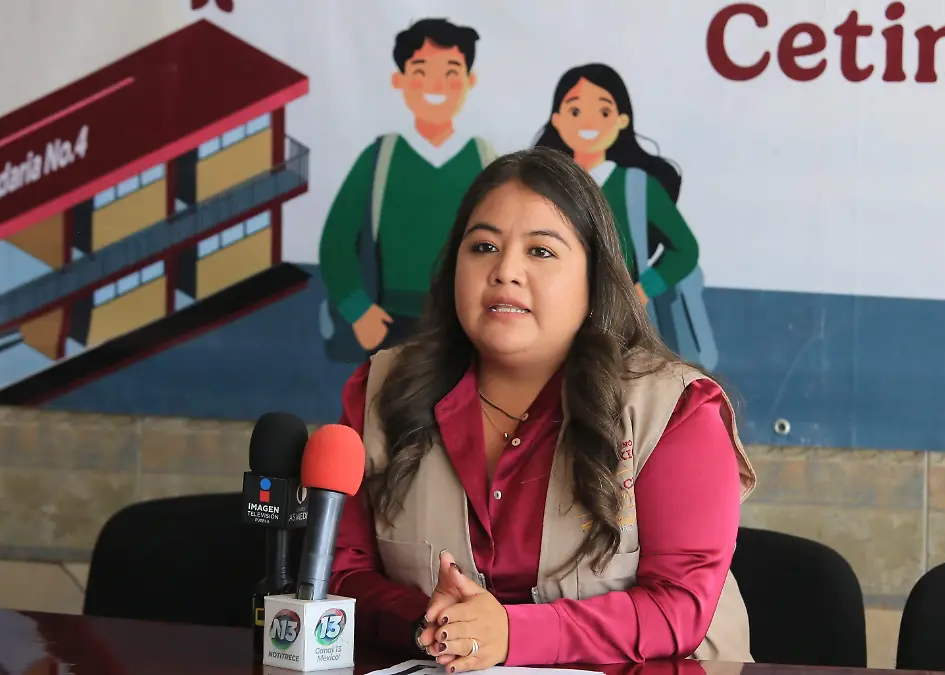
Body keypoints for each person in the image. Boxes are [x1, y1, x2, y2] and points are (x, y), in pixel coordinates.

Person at [329, 147, 757, 671]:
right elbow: (341, 571)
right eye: (483, 246)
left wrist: (512, 634)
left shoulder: (674, 408)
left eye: (541, 251)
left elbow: (678, 607)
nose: (505, 270)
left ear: (594, 278)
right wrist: (434, 623)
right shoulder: (380, 391)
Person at [318, 17, 496, 362]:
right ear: (398, 80)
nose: (436, 85)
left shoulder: (483, 159)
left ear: (469, 81)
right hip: (390, 322)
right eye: (421, 72)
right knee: (388, 395)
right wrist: (359, 310)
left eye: (451, 73)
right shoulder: (380, 158)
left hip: (462, 321)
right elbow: (336, 242)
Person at [533, 63, 718, 370]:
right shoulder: (542, 182)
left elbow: (685, 249)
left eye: (603, 112)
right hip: (548, 318)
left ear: (621, 120)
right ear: (557, 119)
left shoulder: (638, 185)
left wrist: (640, 292)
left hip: (617, 330)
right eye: (575, 111)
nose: (588, 122)